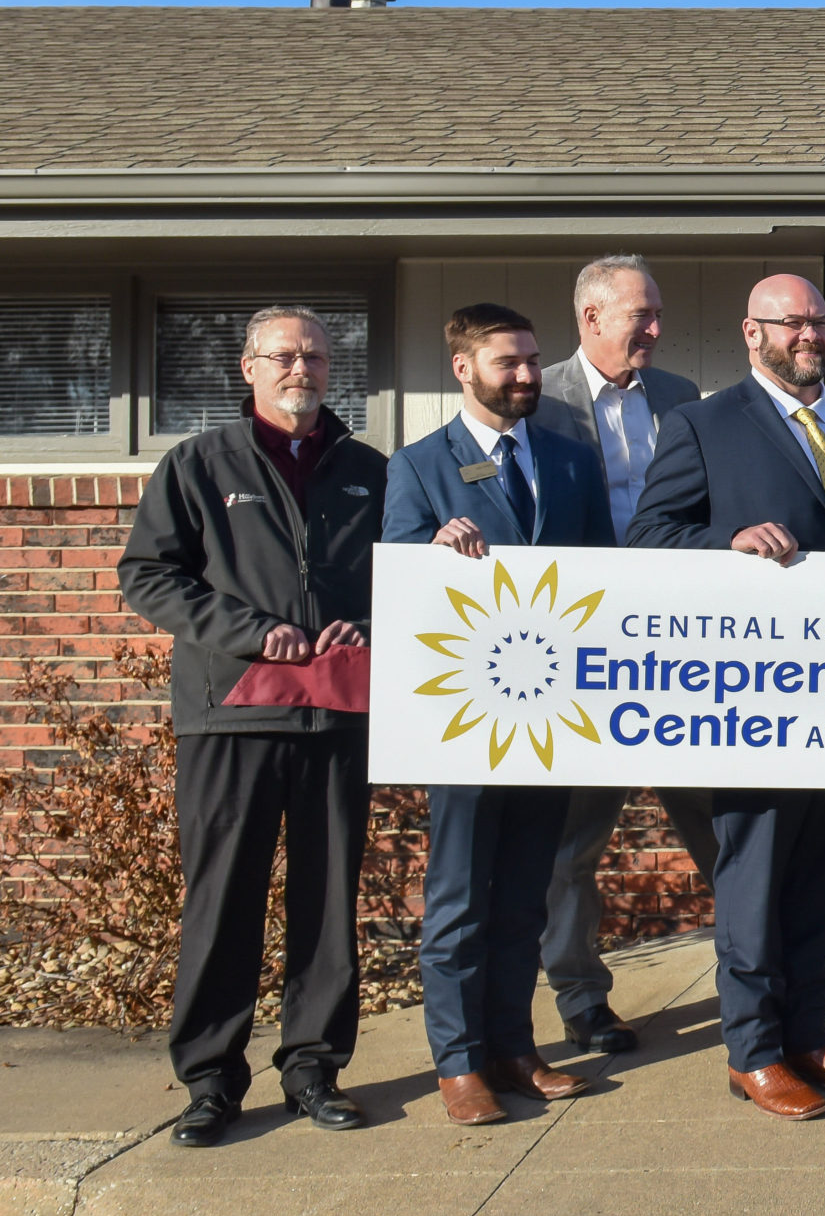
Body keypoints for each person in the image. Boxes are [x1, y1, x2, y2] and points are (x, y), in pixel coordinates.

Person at [626, 274, 825, 1120]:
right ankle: (751, 1051)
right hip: (760, 705)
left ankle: (808, 1035)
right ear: (752, 334)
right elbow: (648, 536)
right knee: (754, 881)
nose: (812, 335)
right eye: (793, 323)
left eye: (820, 320)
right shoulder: (703, 426)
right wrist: (728, 540)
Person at [118, 306, 385, 1146]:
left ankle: (313, 1066)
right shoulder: (198, 464)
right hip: (230, 716)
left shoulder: (370, 471)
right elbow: (148, 577)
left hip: (338, 713)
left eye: (313, 355)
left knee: (327, 901)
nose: (299, 367)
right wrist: (244, 629)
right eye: (282, 355)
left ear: (330, 369)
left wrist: (368, 629)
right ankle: (209, 1079)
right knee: (223, 900)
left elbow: (405, 580)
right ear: (248, 368)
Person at [383, 304, 616, 1124]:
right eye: (506, 363)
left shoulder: (570, 458)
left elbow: (602, 579)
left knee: (525, 896)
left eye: (530, 361)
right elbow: (400, 587)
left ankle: (516, 1050)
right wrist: (430, 555)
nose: (524, 376)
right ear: (462, 368)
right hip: (469, 721)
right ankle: (458, 1063)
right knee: (458, 901)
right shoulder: (417, 468)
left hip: (549, 717)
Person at [528, 255, 749, 1059]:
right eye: (639, 316)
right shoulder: (537, 398)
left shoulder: (680, 398)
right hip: (581, 648)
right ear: (591, 318)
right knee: (575, 843)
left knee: (722, 822)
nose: (655, 329)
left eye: (656, 315)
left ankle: (764, 972)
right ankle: (582, 999)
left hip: (679, 647)